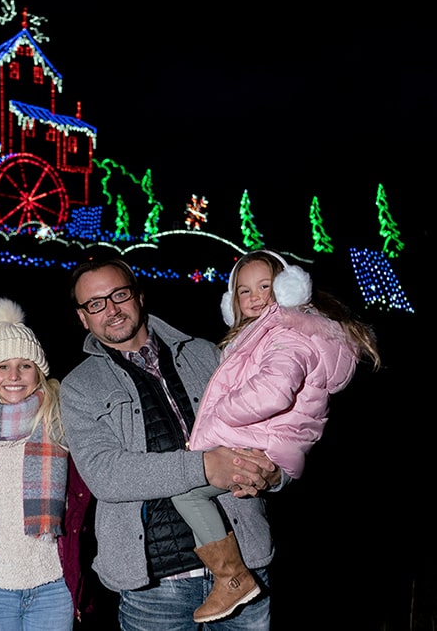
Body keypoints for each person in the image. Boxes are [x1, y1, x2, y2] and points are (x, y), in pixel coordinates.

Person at [58, 257, 282, 631]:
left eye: (119, 295)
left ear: (139, 296)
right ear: (83, 317)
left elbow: (268, 428)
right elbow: (105, 474)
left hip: (247, 565)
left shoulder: (208, 354)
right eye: (96, 304)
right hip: (157, 588)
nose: (111, 310)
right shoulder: (80, 386)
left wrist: (274, 474)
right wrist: (203, 466)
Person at [172, 249, 383, 623]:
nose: (255, 298)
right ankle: (233, 576)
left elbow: (274, 392)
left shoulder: (286, 332)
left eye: (265, 287)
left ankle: (231, 578)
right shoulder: (271, 331)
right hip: (271, 443)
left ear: (287, 288)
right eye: (244, 291)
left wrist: (221, 411)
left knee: (187, 493)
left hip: (262, 444)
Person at [0, 297, 94, 630]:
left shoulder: (62, 421)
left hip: (52, 587)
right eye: (2, 366)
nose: (13, 375)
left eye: (25, 365)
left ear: (39, 372)